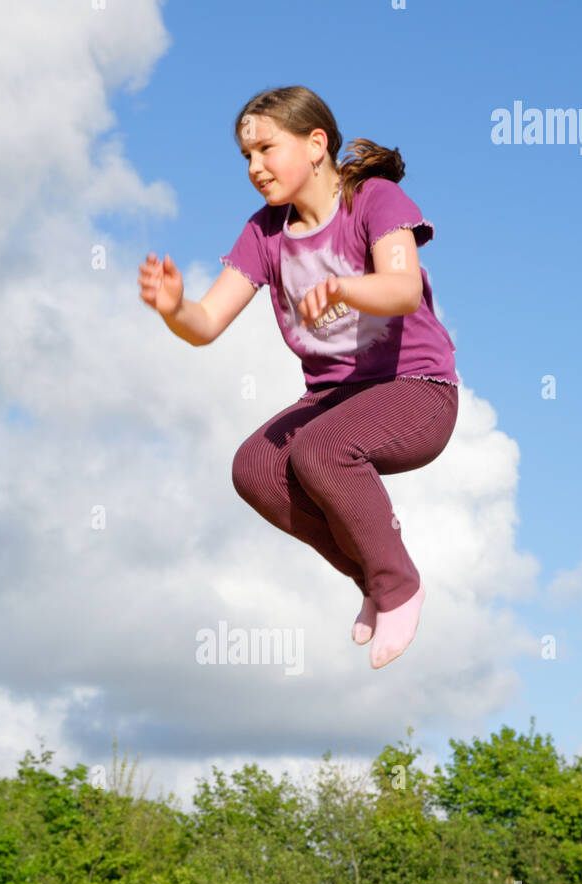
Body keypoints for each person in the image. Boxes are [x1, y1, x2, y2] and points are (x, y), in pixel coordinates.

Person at [138, 85, 459, 669]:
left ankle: (398, 583)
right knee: (254, 467)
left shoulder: (373, 199)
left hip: (419, 391)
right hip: (336, 398)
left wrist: (343, 287)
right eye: (246, 158)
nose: (255, 168)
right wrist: (174, 308)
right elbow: (206, 323)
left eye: (266, 149)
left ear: (316, 145)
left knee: (318, 449)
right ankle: (372, 578)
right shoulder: (265, 232)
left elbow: (404, 288)